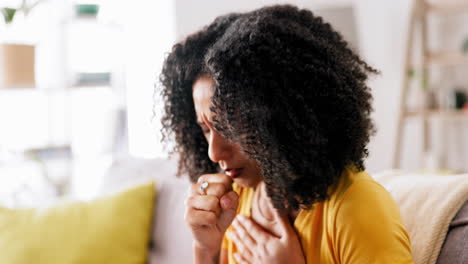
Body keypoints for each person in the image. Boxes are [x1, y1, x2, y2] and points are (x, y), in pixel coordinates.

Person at [160, 4, 414, 264]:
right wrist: (205, 249)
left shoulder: (356, 208)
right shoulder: (237, 200)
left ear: (279, 117)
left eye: (229, 128)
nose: (214, 152)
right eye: (205, 129)